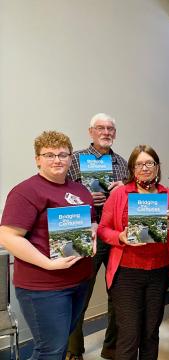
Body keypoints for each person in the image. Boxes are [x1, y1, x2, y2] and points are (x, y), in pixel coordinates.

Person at [0, 131, 96, 360]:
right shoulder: (26, 191)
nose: (57, 160)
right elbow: (8, 236)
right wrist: (49, 264)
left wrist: (92, 233)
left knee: (59, 345)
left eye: (63, 154)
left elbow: (91, 221)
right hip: (44, 287)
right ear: (37, 159)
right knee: (49, 350)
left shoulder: (80, 190)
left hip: (79, 281)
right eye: (49, 155)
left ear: (71, 158)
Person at [97, 145, 169, 360]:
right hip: (126, 273)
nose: (145, 168)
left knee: (151, 332)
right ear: (132, 168)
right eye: (139, 164)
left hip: (158, 272)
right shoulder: (120, 194)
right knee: (129, 333)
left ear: (157, 167)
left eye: (149, 163)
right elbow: (103, 230)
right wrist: (121, 237)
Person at [66, 113, 128, 360]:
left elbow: (131, 198)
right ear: (91, 131)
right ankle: (74, 349)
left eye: (111, 129)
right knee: (80, 292)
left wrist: (123, 188)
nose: (106, 132)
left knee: (119, 294)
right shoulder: (75, 160)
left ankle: (111, 348)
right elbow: (62, 193)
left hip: (115, 233)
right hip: (87, 232)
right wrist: (85, 198)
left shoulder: (123, 164)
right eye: (101, 128)